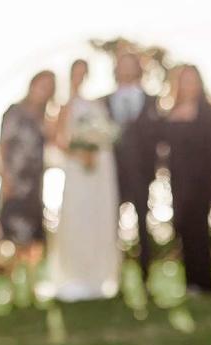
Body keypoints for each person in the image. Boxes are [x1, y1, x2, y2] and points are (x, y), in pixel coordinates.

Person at [50, 58, 122, 301]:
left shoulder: (97, 104)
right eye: (76, 73)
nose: (80, 77)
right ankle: (75, 274)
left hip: (99, 171)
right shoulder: (65, 105)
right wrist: (80, 154)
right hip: (77, 171)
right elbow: (58, 140)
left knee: (98, 218)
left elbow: (106, 133)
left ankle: (100, 275)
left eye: (84, 72)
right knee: (77, 218)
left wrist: (95, 149)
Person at [102, 52, 160, 290]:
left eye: (130, 65)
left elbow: (157, 137)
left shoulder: (151, 100)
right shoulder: (103, 102)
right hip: (110, 175)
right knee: (110, 226)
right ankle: (114, 278)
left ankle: (146, 278)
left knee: (143, 227)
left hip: (142, 173)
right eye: (121, 65)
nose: (125, 69)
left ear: (138, 69)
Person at [0, 70, 56, 304]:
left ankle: (32, 286)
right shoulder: (14, 112)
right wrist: (5, 179)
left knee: (33, 239)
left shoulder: (44, 117)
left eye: (50, 87)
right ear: (32, 85)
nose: (44, 90)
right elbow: (2, 146)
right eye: (42, 84)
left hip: (35, 184)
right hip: (15, 180)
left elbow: (55, 140)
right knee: (11, 237)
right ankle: (11, 288)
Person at [163, 64, 211, 294]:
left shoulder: (207, 112)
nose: (188, 84)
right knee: (183, 228)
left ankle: (205, 282)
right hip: (178, 182)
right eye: (184, 80)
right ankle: (189, 282)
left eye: (192, 79)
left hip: (201, 181)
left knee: (200, 230)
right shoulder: (170, 112)